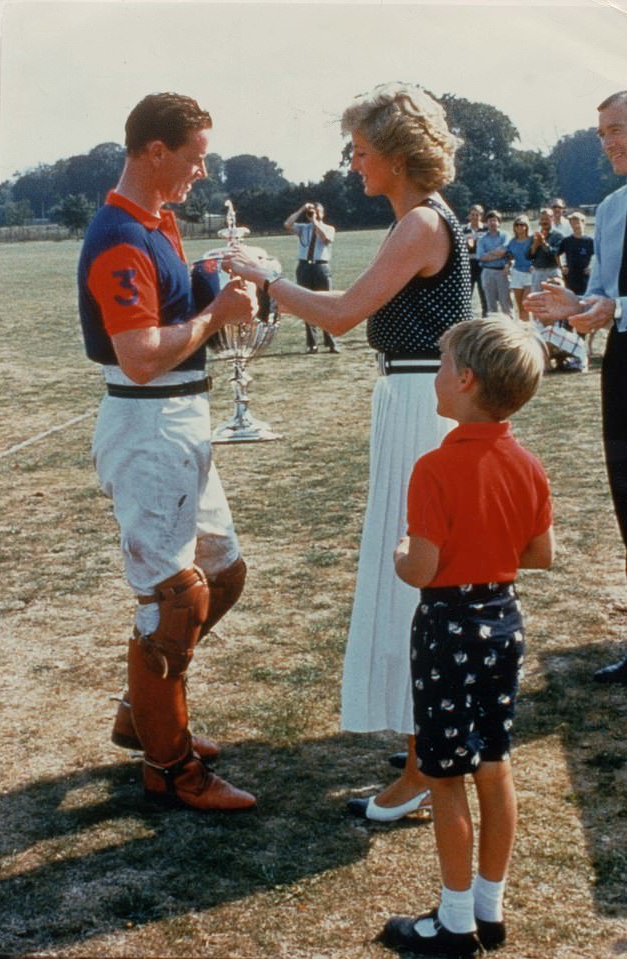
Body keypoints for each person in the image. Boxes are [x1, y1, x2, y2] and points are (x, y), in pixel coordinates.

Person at [224, 81, 473, 820]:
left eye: (363, 151)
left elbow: (340, 313)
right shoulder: (423, 220)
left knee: (416, 574)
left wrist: (265, 278)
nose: (355, 164)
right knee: (414, 569)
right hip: (413, 398)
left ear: (396, 157)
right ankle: (426, 739)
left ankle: (430, 757)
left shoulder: (420, 224)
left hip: (422, 405)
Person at [77, 92, 258, 811]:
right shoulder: (120, 234)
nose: (202, 171)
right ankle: (169, 764)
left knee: (223, 572)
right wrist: (218, 312)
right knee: (174, 599)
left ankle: (142, 707)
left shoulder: (158, 224)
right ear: (156, 151)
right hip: (148, 424)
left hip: (183, 419)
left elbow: (169, 318)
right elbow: (142, 355)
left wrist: (214, 281)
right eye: (195, 156)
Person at [380, 316, 554, 958]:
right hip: (504, 621)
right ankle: (490, 906)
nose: (436, 370)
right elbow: (541, 554)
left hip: (448, 625)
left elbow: (419, 569)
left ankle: (454, 924)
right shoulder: (528, 463)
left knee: (445, 773)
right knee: (493, 762)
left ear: (465, 380)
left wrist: (402, 550)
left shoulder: (434, 468)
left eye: (442, 358)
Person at [526, 90, 627, 685]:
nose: (610, 142)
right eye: (603, 133)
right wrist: (574, 306)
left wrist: (611, 309)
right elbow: (607, 296)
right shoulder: (610, 208)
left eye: (618, 129)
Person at [283, 201, 339, 353]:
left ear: (323, 213)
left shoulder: (328, 228)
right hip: (304, 267)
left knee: (326, 303)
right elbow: (287, 224)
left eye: (317, 211)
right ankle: (312, 343)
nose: (314, 213)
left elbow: (326, 238)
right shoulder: (303, 228)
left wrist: (315, 222)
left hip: (321, 267)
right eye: (312, 211)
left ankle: (331, 342)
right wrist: (302, 209)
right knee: (307, 305)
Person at [476, 211, 513, 317]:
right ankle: (494, 330)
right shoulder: (482, 239)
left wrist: (490, 254)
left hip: (502, 272)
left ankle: (510, 328)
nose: (492, 223)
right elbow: (481, 256)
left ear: (499, 222)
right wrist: (498, 254)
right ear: (486, 223)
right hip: (487, 272)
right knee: (491, 305)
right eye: (490, 221)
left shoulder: (505, 235)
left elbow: (505, 250)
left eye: (495, 220)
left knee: (505, 303)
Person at [558, 211, 595, 296]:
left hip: (585, 277)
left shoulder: (590, 241)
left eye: (577, 221)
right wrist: (562, 267)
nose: (575, 225)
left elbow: (599, 256)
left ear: (583, 222)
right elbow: (557, 254)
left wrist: (592, 267)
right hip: (570, 277)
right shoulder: (566, 241)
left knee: (585, 302)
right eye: (572, 222)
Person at [461, 204, 488, 317]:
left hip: (482, 264)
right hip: (468, 265)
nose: (474, 217)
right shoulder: (463, 230)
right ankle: (466, 319)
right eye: (472, 215)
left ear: (481, 216)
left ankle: (485, 318)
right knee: (467, 294)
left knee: (484, 294)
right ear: (469, 216)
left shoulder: (486, 229)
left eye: (477, 215)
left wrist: (475, 243)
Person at [528, 208, 563, 291]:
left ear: (552, 219)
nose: (544, 221)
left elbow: (555, 253)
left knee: (555, 300)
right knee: (537, 300)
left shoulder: (558, 236)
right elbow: (528, 256)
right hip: (538, 272)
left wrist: (543, 243)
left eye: (547, 219)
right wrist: (535, 244)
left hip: (552, 271)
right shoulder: (534, 236)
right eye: (542, 219)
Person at [506, 215, 533, 321]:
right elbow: (509, 256)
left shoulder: (532, 240)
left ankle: (530, 328)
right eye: (516, 225)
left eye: (522, 225)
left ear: (526, 226)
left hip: (530, 274)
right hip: (517, 273)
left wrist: (534, 265)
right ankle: (523, 328)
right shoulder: (512, 242)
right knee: (520, 307)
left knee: (526, 304)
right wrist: (507, 264)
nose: (519, 227)